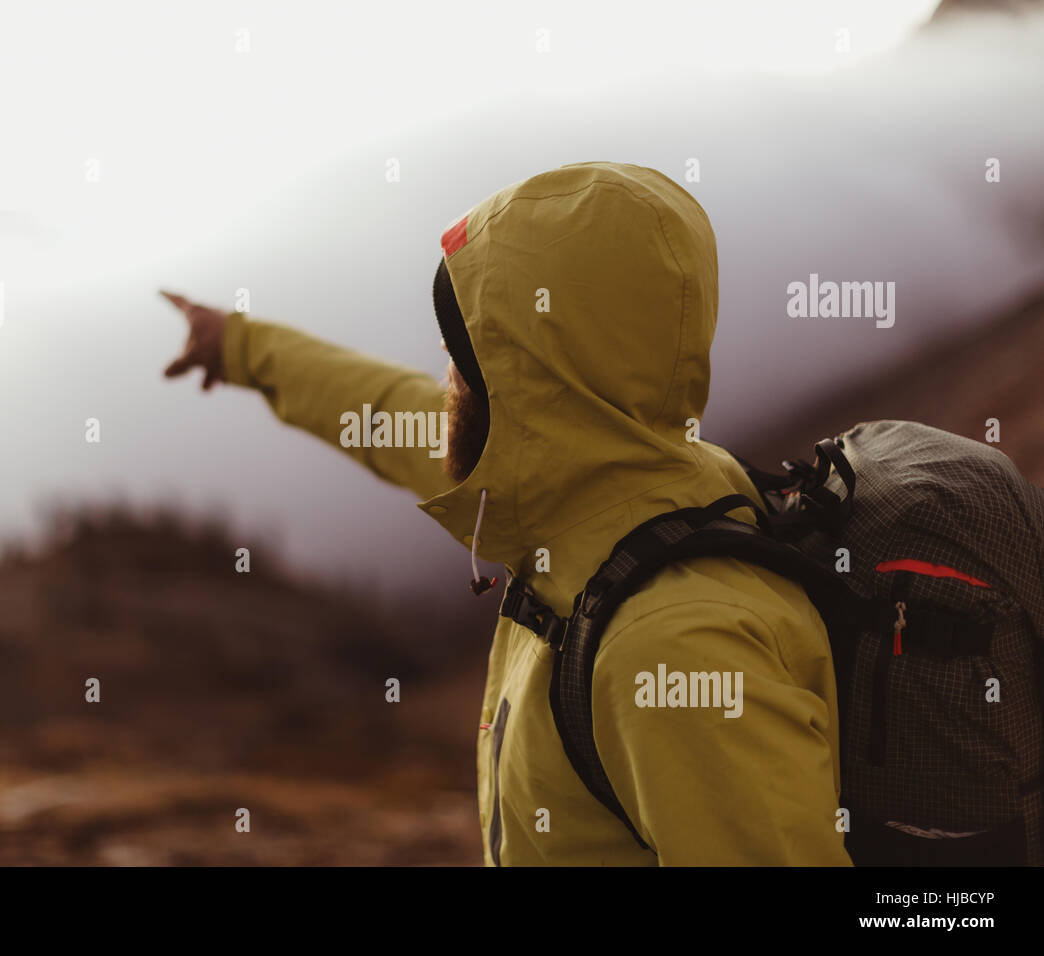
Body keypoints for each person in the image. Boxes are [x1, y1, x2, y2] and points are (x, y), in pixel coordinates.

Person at [161, 161, 851, 866]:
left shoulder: (671, 650)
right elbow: (391, 416)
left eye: (462, 353)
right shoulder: (633, 478)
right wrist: (241, 347)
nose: (444, 373)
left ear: (527, 378)